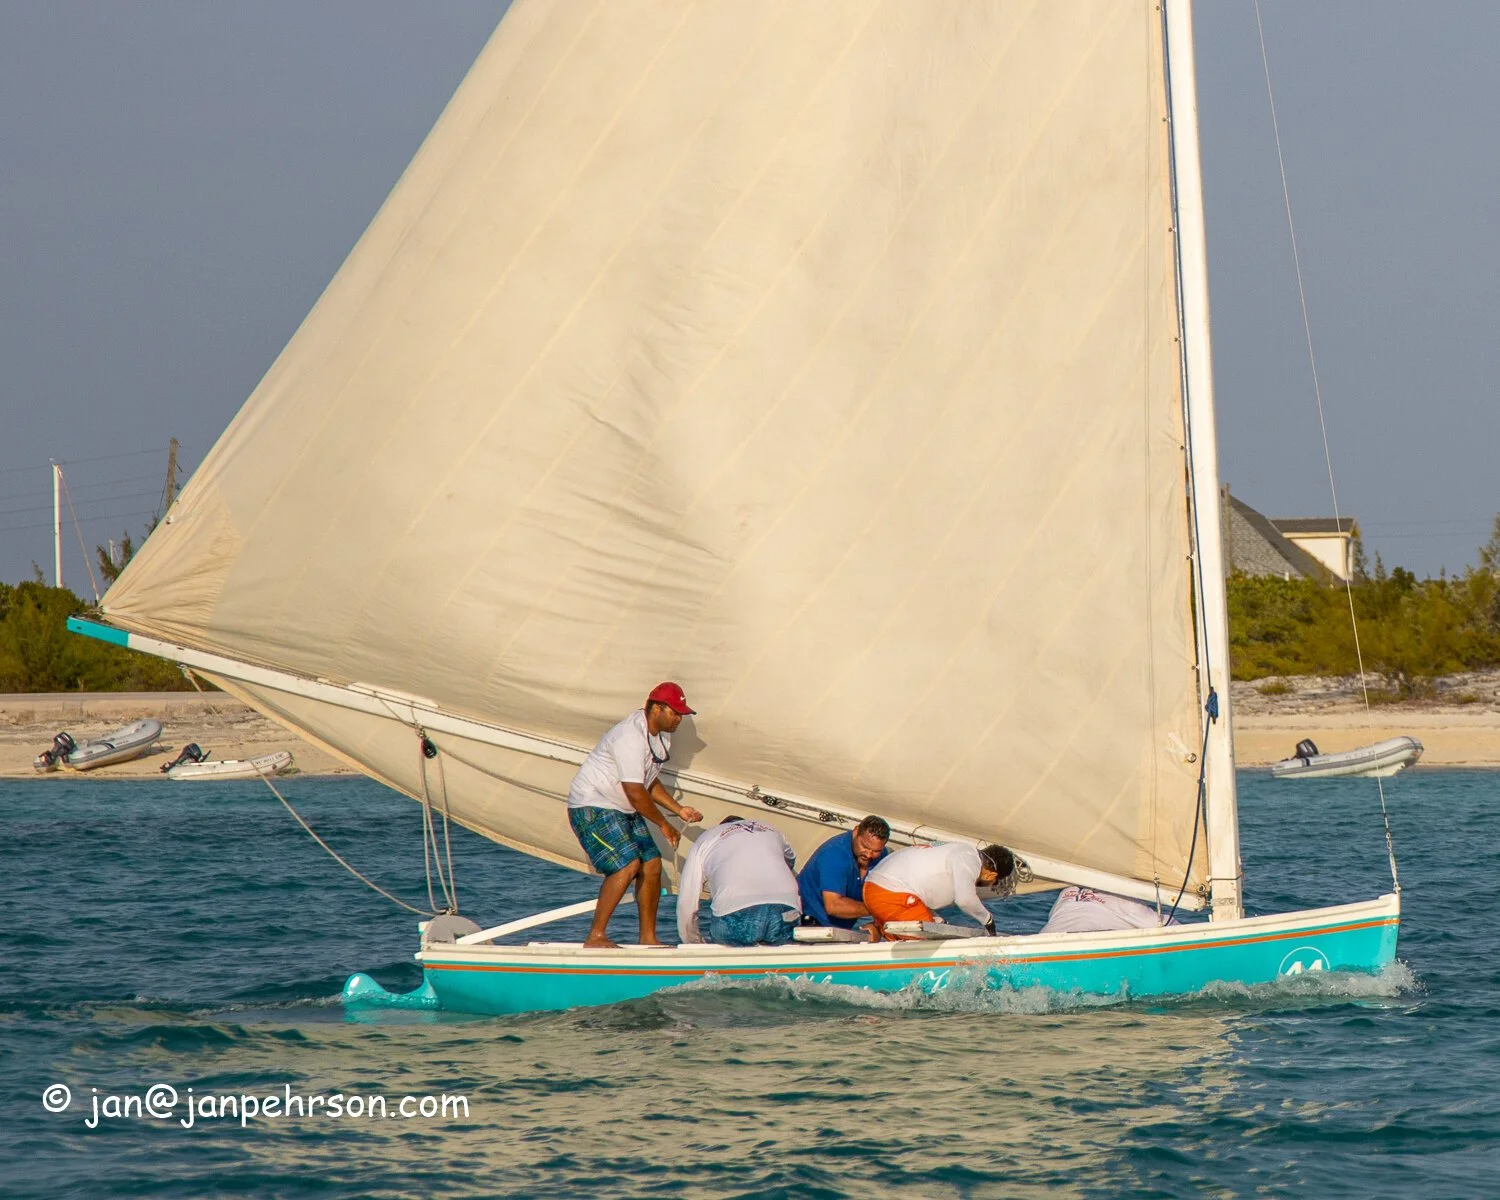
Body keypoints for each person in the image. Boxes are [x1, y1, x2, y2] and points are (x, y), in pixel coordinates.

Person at [567, 682, 704, 948]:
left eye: (681, 714)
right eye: (675, 712)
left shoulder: (662, 736)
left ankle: (648, 938)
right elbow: (634, 789)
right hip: (593, 807)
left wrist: (678, 810)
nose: (679, 719)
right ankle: (595, 936)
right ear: (655, 708)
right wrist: (664, 824)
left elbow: (648, 782)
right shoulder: (629, 736)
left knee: (652, 865)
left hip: (623, 808)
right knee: (627, 864)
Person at [676, 816, 801, 946]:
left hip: (735, 911)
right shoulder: (772, 830)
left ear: (721, 826)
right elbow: (790, 859)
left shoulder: (706, 838)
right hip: (786, 907)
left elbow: (687, 902)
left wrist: (692, 943)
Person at [863, 842, 1013, 938]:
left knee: (939, 925)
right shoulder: (970, 860)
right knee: (931, 939)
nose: (990, 884)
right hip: (891, 894)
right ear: (991, 874)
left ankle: (878, 929)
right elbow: (965, 900)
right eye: (994, 882)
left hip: (876, 888)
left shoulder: (960, 848)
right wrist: (988, 920)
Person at [796, 816, 890, 934]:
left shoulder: (883, 855)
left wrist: (875, 925)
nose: (869, 854)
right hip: (812, 922)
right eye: (865, 847)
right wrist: (876, 909)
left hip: (849, 924)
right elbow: (834, 906)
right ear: (856, 832)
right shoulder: (835, 854)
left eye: (876, 851)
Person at [1039, 887, 1178, 935]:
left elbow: (1053, 917)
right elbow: (1168, 927)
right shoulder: (1126, 901)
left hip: (1042, 944)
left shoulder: (1067, 892)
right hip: (1089, 948)